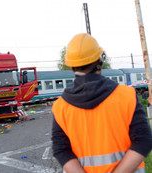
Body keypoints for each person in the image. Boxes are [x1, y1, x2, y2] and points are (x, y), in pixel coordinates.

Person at [52, 33, 152, 173]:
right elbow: (143, 141)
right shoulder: (127, 96)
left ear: (72, 68)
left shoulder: (61, 107)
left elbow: (61, 150)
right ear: (99, 62)